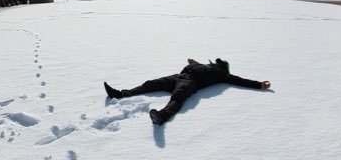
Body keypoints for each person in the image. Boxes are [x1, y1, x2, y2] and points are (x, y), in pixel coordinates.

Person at [104, 58, 271, 125]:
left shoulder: (221, 74)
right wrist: (191, 61)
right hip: (178, 76)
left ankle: (162, 116)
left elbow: (239, 80)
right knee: (151, 83)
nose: (214, 63)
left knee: (179, 96)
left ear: (221, 67)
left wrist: (259, 85)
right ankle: (120, 94)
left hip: (191, 82)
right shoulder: (204, 66)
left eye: (217, 63)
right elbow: (194, 62)